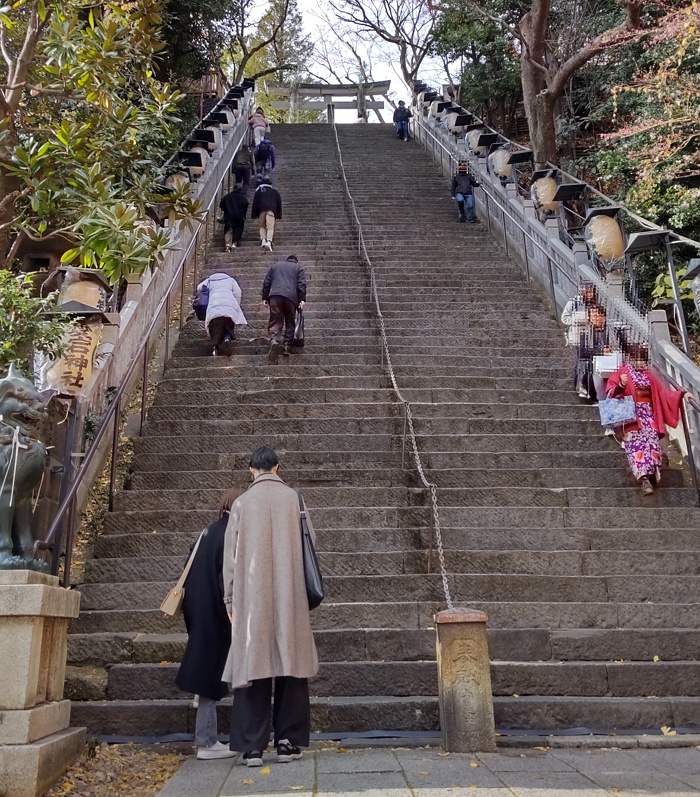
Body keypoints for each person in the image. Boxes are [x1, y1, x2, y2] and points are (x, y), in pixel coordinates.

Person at [223, 446, 318, 767]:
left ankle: (252, 747)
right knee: (291, 666)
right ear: (277, 468)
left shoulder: (241, 504)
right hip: (290, 595)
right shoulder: (295, 499)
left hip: (253, 598)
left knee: (254, 664)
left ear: (252, 470)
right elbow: (311, 544)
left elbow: (231, 560)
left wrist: (230, 599)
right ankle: (288, 742)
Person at [176, 486, 244, 760]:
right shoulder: (231, 534)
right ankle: (206, 742)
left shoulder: (209, 530)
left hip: (197, 605)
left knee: (207, 667)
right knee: (211, 672)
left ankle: (208, 738)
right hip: (217, 609)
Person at [605, 343, 692, 495]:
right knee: (636, 448)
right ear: (629, 358)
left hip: (648, 416)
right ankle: (644, 479)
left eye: (641, 358)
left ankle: (651, 473)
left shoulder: (648, 375)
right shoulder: (622, 372)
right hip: (631, 417)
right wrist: (621, 385)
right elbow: (611, 393)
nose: (638, 361)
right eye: (635, 358)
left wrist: (681, 394)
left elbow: (662, 393)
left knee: (652, 446)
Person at [262, 255, 306, 363]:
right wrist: (302, 299)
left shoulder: (275, 266)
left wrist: (265, 297)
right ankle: (287, 345)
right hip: (291, 297)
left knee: (275, 319)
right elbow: (301, 284)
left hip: (275, 296)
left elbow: (266, 282)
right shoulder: (298, 268)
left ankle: (274, 340)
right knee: (290, 320)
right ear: (295, 261)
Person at [562, 283, 601, 399]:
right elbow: (564, 318)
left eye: (591, 293)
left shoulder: (595, 305)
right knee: (577, 362)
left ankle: (584, 386)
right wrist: (579, 319)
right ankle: (579, 385)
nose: (590, 295)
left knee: (586, 363)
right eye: (587, 292)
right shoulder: (574, 303)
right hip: (576, 337)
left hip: (590, 338)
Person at [196, 271, 247, 356]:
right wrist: (236, 306)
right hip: (229, 305)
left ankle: (215, 347)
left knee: (214, 326)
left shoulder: (209, 281)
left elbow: (199, 288)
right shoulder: (231, 280)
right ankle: (227, 339)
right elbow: (238, 293)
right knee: (228, 324)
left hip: (214, 305)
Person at [251, 178, 282, 252]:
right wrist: (278, 215)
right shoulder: (275, 192)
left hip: (261, 210)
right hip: (271, 210)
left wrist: (254, 214)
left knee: (262, 226)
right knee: (270, 227)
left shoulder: (259, 191)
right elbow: (279, 204)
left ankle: (263, 240)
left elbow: (255, 203)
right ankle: (269, 241)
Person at [219, 185, 248, 252]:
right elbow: (245, 204)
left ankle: (227, 244)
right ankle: (234, 243)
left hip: (228, 216)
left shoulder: (227, 197)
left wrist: (226, 210)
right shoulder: (242, 197)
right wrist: (243, 213)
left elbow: (222, 204)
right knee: (238, 230)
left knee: (228, 230)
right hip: (239, 217)